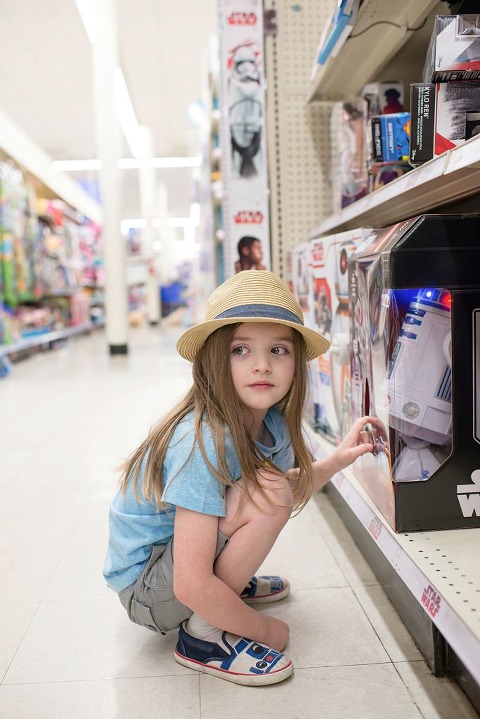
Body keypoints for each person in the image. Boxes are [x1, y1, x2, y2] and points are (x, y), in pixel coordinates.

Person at [103, 270, 385, 687]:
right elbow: (190, 582)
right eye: (240, 349)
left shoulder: (271, 422)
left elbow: (282, 494)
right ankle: (202, 636)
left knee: (270, 490)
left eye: (278, 350)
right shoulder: (203, 440)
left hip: (176, 564)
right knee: (268, 493)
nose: (262, 365)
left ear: (297, 363)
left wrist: (338, 460)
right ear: (214, 360)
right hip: (148, 591)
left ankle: (224, 590)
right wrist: (264, 630)